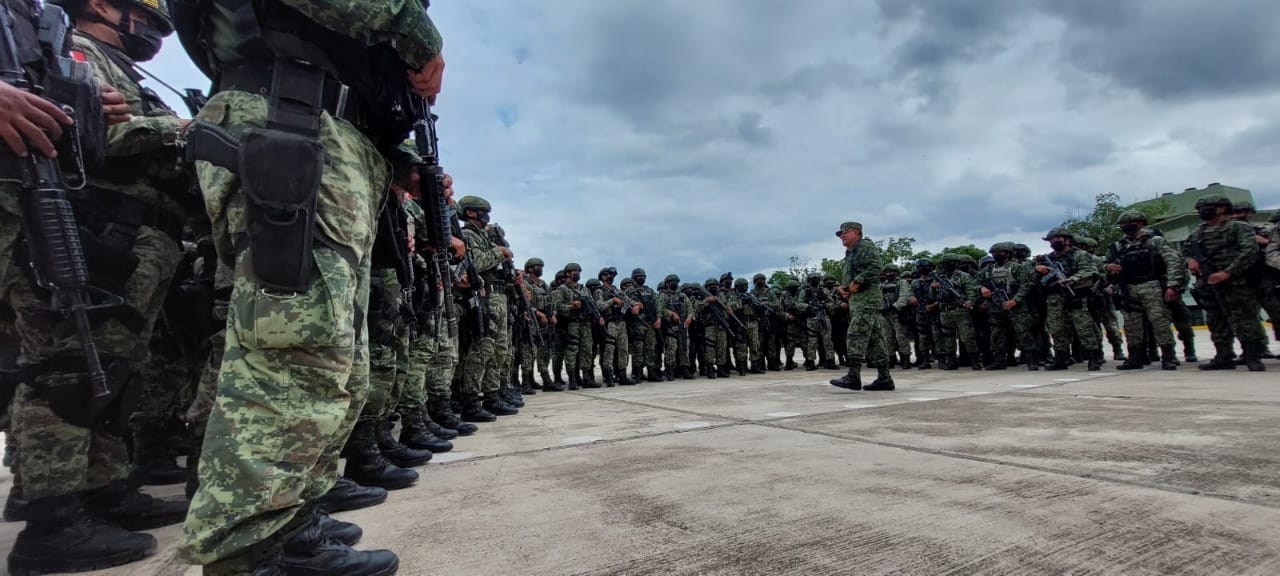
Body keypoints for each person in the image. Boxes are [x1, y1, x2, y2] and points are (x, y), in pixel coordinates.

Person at [176, 0, 445, 571]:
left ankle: (293, 524)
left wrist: (394, 157)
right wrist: (416, 30)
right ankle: (248, 550)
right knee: (293, 351)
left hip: (321, 130)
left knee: (334, 361)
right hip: (290, 120)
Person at [1184, 195, 1267, 371]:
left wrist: (1227, 272)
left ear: (1222, 208)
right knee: (1216, 321)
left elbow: (1249, 251)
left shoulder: (1238, 227)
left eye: (1205, 208)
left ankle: (1252, 356)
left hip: (1237, 282)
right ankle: (1224, 356)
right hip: (1209, 282)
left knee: (1245, 318)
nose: (1201, 212)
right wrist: (1190, 261)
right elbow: (1187, 252)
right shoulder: (1198, 232)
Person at [1105, 211, 1183, 370]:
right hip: (1128, 288)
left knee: (1159, 322)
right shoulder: (1118, 246)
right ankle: (1135, 357)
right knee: (1132, 325)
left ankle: (1168, 356)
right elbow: (1102, 263)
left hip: (1151, 285)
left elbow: (1173, 261)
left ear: (1140, 223)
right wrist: (1108, 267)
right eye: (1122, 224)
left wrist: (1172, 285)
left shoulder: (1155, 241)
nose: (1126, 226)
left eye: (1130, 222)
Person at [829, 222, 893, 391]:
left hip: (866, 300)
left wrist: (858, 282)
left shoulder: (864, 246)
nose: (842, 236)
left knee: (855, 334)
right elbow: (852, 274)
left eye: (845, 232)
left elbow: (875, 267)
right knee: (875, 340)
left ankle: (853, 376)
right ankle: (885, 378)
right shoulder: (851, 252)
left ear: (857, 233)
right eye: (840, 234)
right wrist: (843, 287)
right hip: (859, 301)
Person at [1036, 228, 1103, 371]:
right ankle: (1061, 358)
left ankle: (1093, 357)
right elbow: (1035, 278)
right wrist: (1038, 269)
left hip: (1075, 295)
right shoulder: (1049, 258)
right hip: (1055, 298)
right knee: (1057, 329)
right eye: (1052, 239)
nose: (1054, 241)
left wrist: (1072, 279)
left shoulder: (1079, 255)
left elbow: (1089, 271)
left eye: (1057, 238)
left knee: (1084, 327)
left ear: (1067, 240)